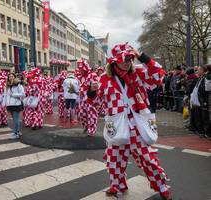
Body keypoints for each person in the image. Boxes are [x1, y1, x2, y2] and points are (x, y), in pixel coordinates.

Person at [89, 43, 172, 200]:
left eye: (130, 59)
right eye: (124, 59)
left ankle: (161, 185)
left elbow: (158, 75)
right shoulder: (104, 79)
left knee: (147, 158)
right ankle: (117, 184)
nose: (127, 62)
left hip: (136, 125)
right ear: (114, 62)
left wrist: (142, 56)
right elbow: (96, 104)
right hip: (117, 124)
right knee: (114, 158)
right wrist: (92, 92)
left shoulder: (138, 73)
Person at [77, 60, 99, 136]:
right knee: (81, 114)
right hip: (82, 98)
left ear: (85, 68)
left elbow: (96, 87)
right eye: (79, 69)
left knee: (91, 115)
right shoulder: (81, 77)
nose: (80, 70)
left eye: (81, 69)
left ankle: (92, 130)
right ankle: (86, 126)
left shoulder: (93, 75)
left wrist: (94, 99)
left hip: (90, 98)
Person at [190, 65, 210, 138]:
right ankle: (202, 131)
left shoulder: (205, 78)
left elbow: (206, 90)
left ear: (202, 70)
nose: (197, 71)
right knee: (200, 117)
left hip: (203, 101)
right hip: (198, 101)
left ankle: (207, 132)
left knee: (205, 117)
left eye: (199, 70)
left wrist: (204, 101)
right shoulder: (200, 78)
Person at [4, 72, 25, 139]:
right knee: (14, 119)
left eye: (12, 76)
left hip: (16, 104)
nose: (11, 78)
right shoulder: (7, 85)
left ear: (14, 77)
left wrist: (14, 95)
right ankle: (18, 131)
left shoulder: (18, 85)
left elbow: (22, 94)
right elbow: (6, 95)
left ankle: (15, 133)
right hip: (10, 105)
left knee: (16, 120)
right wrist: (6, 103)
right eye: (10, 77)